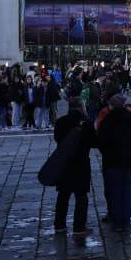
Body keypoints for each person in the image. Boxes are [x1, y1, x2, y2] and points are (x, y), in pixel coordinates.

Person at [95, 94, 131, 231]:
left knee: (115, 192)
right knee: (127, 192)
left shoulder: (107, 120)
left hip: (112, 162)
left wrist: (107, 152)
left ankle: (117, 222)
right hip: (129, 160)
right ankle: (126, 221)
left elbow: (100, 141)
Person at [51, 98, 96, 233]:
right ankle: (79, 226)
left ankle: (59, 224)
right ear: (81, 107)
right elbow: (93, 142)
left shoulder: (60, 122)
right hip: (81, 162)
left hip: (64, 162)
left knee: (63, 194)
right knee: (81, 195)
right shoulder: (86, 123)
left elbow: (57, 139)